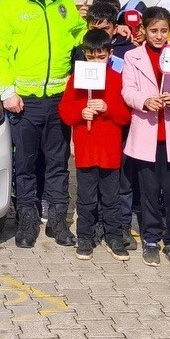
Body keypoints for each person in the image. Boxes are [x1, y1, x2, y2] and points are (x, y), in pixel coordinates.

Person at [0, 0, 86, 248]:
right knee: (25, 165)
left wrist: (105, 34)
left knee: (58, 164)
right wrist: (7, 92)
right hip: (24, 102)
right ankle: (27, 220)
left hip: (59, 99)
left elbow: (80, 37)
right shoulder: (6, 7)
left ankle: (57, 220)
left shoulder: (64, 3)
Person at [121, 7, 170, 270]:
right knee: (149, 191)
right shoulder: (132, 56)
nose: (159, 36)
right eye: (153, 30)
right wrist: (145, 100)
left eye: (164, 30)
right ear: (143, 30)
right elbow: (128, 90)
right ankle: (151, 239)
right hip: (146, 131)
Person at [59, 30, 131, 261]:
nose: (96, 62)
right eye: (91, 57)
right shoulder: (76, 79)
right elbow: (65, 111)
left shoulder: (118, 78)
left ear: (110, 54)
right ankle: (85, 236)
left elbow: (126, 116)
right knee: (86, 197)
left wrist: (107, 108)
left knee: (111, 198)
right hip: (86, 148)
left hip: (110, 150)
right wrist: (81, 112)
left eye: (101, 57)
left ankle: (114, 236)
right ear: (85, 55)